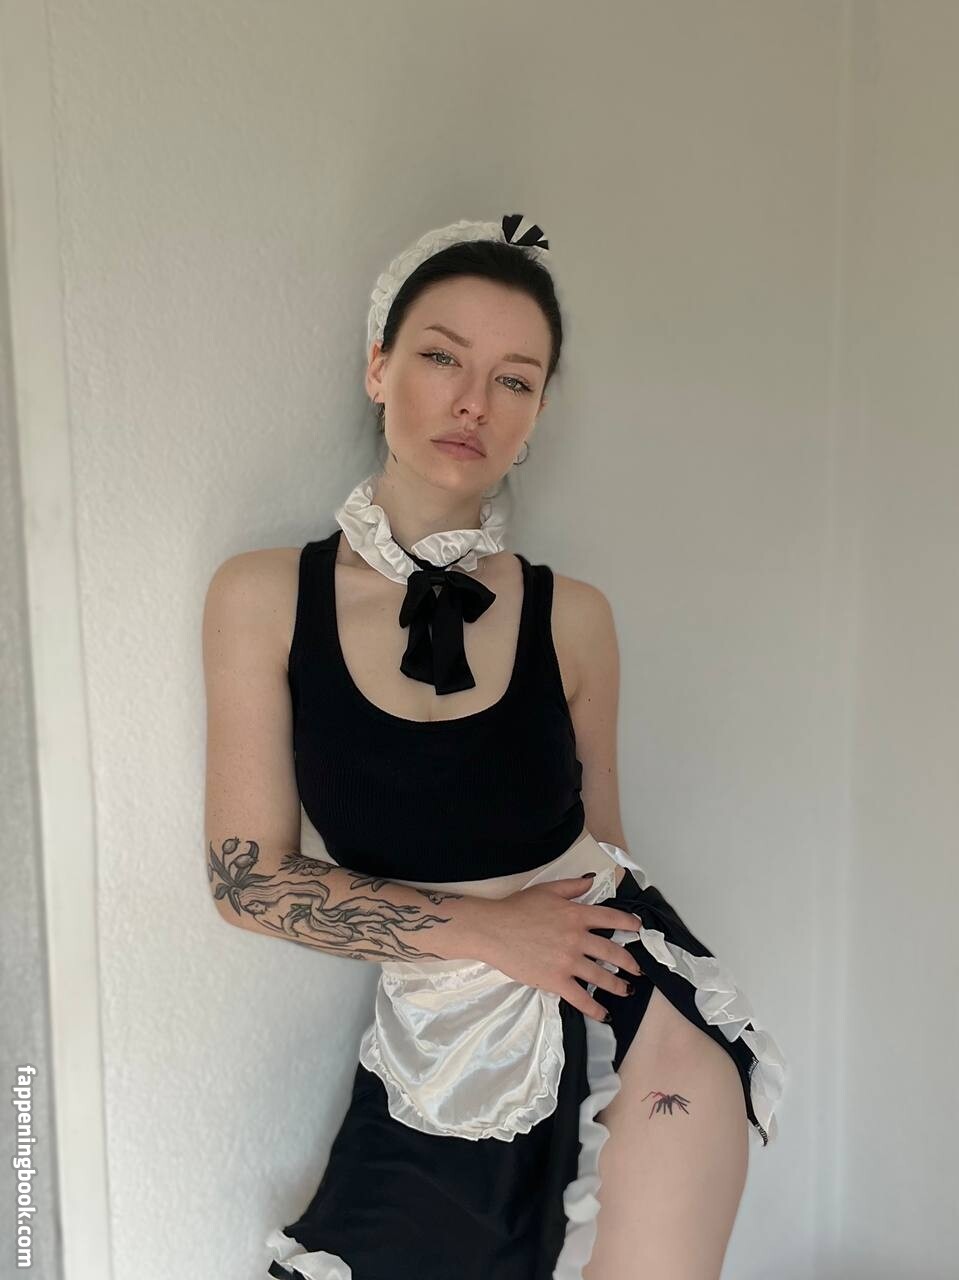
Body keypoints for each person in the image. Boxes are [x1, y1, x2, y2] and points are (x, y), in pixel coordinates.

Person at [202, 214, 788, 1280]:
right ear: (377, 368)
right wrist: (487, 932)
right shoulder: (262, 597)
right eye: (441, 357)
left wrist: (532, 941)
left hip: (631, 1028)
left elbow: (606, 845)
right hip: (442, 1031)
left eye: (514, 379)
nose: (473, 401)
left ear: (535, 415)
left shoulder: (576, 617)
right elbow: (246, 882)